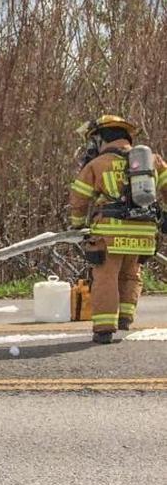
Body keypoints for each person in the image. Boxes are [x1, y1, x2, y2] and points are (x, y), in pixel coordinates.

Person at [69, 115, 167, 344]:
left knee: (106, 276)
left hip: (111, 230)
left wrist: (78, 225)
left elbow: (79, 198)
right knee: (131, 274)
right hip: (144, 230)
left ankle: (104, 328)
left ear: (101, 140)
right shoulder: (152, 160)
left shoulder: (98, 164)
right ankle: (124, 317)